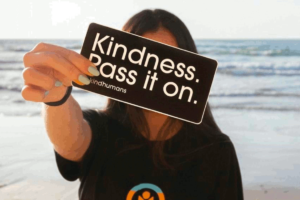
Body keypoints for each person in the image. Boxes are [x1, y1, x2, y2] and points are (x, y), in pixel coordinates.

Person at [21, 9, 244, 200]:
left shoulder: (215, 150)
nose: (154, 76)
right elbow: (71, 141)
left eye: (168, 64)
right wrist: (56, 97)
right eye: (144, 61)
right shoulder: (100, 131)